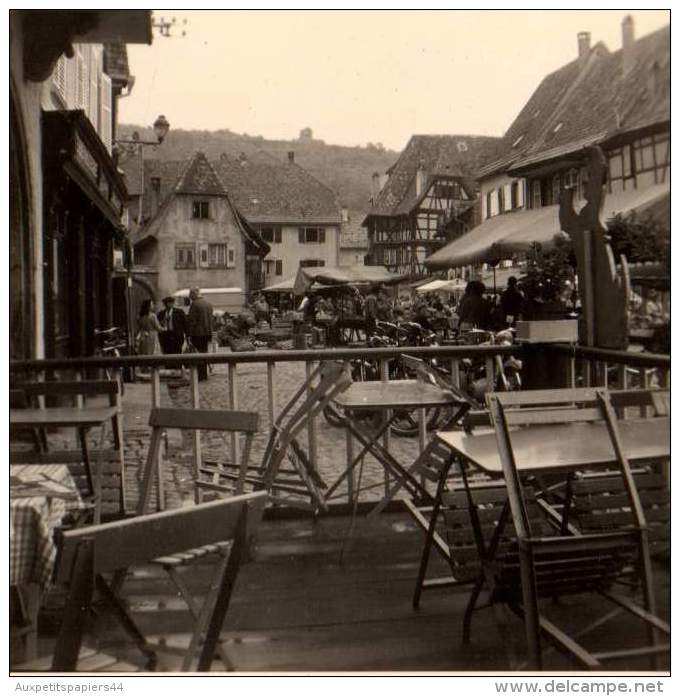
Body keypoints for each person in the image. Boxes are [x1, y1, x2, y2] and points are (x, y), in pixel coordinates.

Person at [187, 287, 214, 381]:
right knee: (204, 353)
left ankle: (199, 375)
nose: (189, 297)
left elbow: (192, 321)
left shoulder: (194, 305)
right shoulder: (208, 304)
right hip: (207, 333)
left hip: (197, 334)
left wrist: (189, 334)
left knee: (197, 354)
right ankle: (204, 375)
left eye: (190, 295)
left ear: (194, 294)